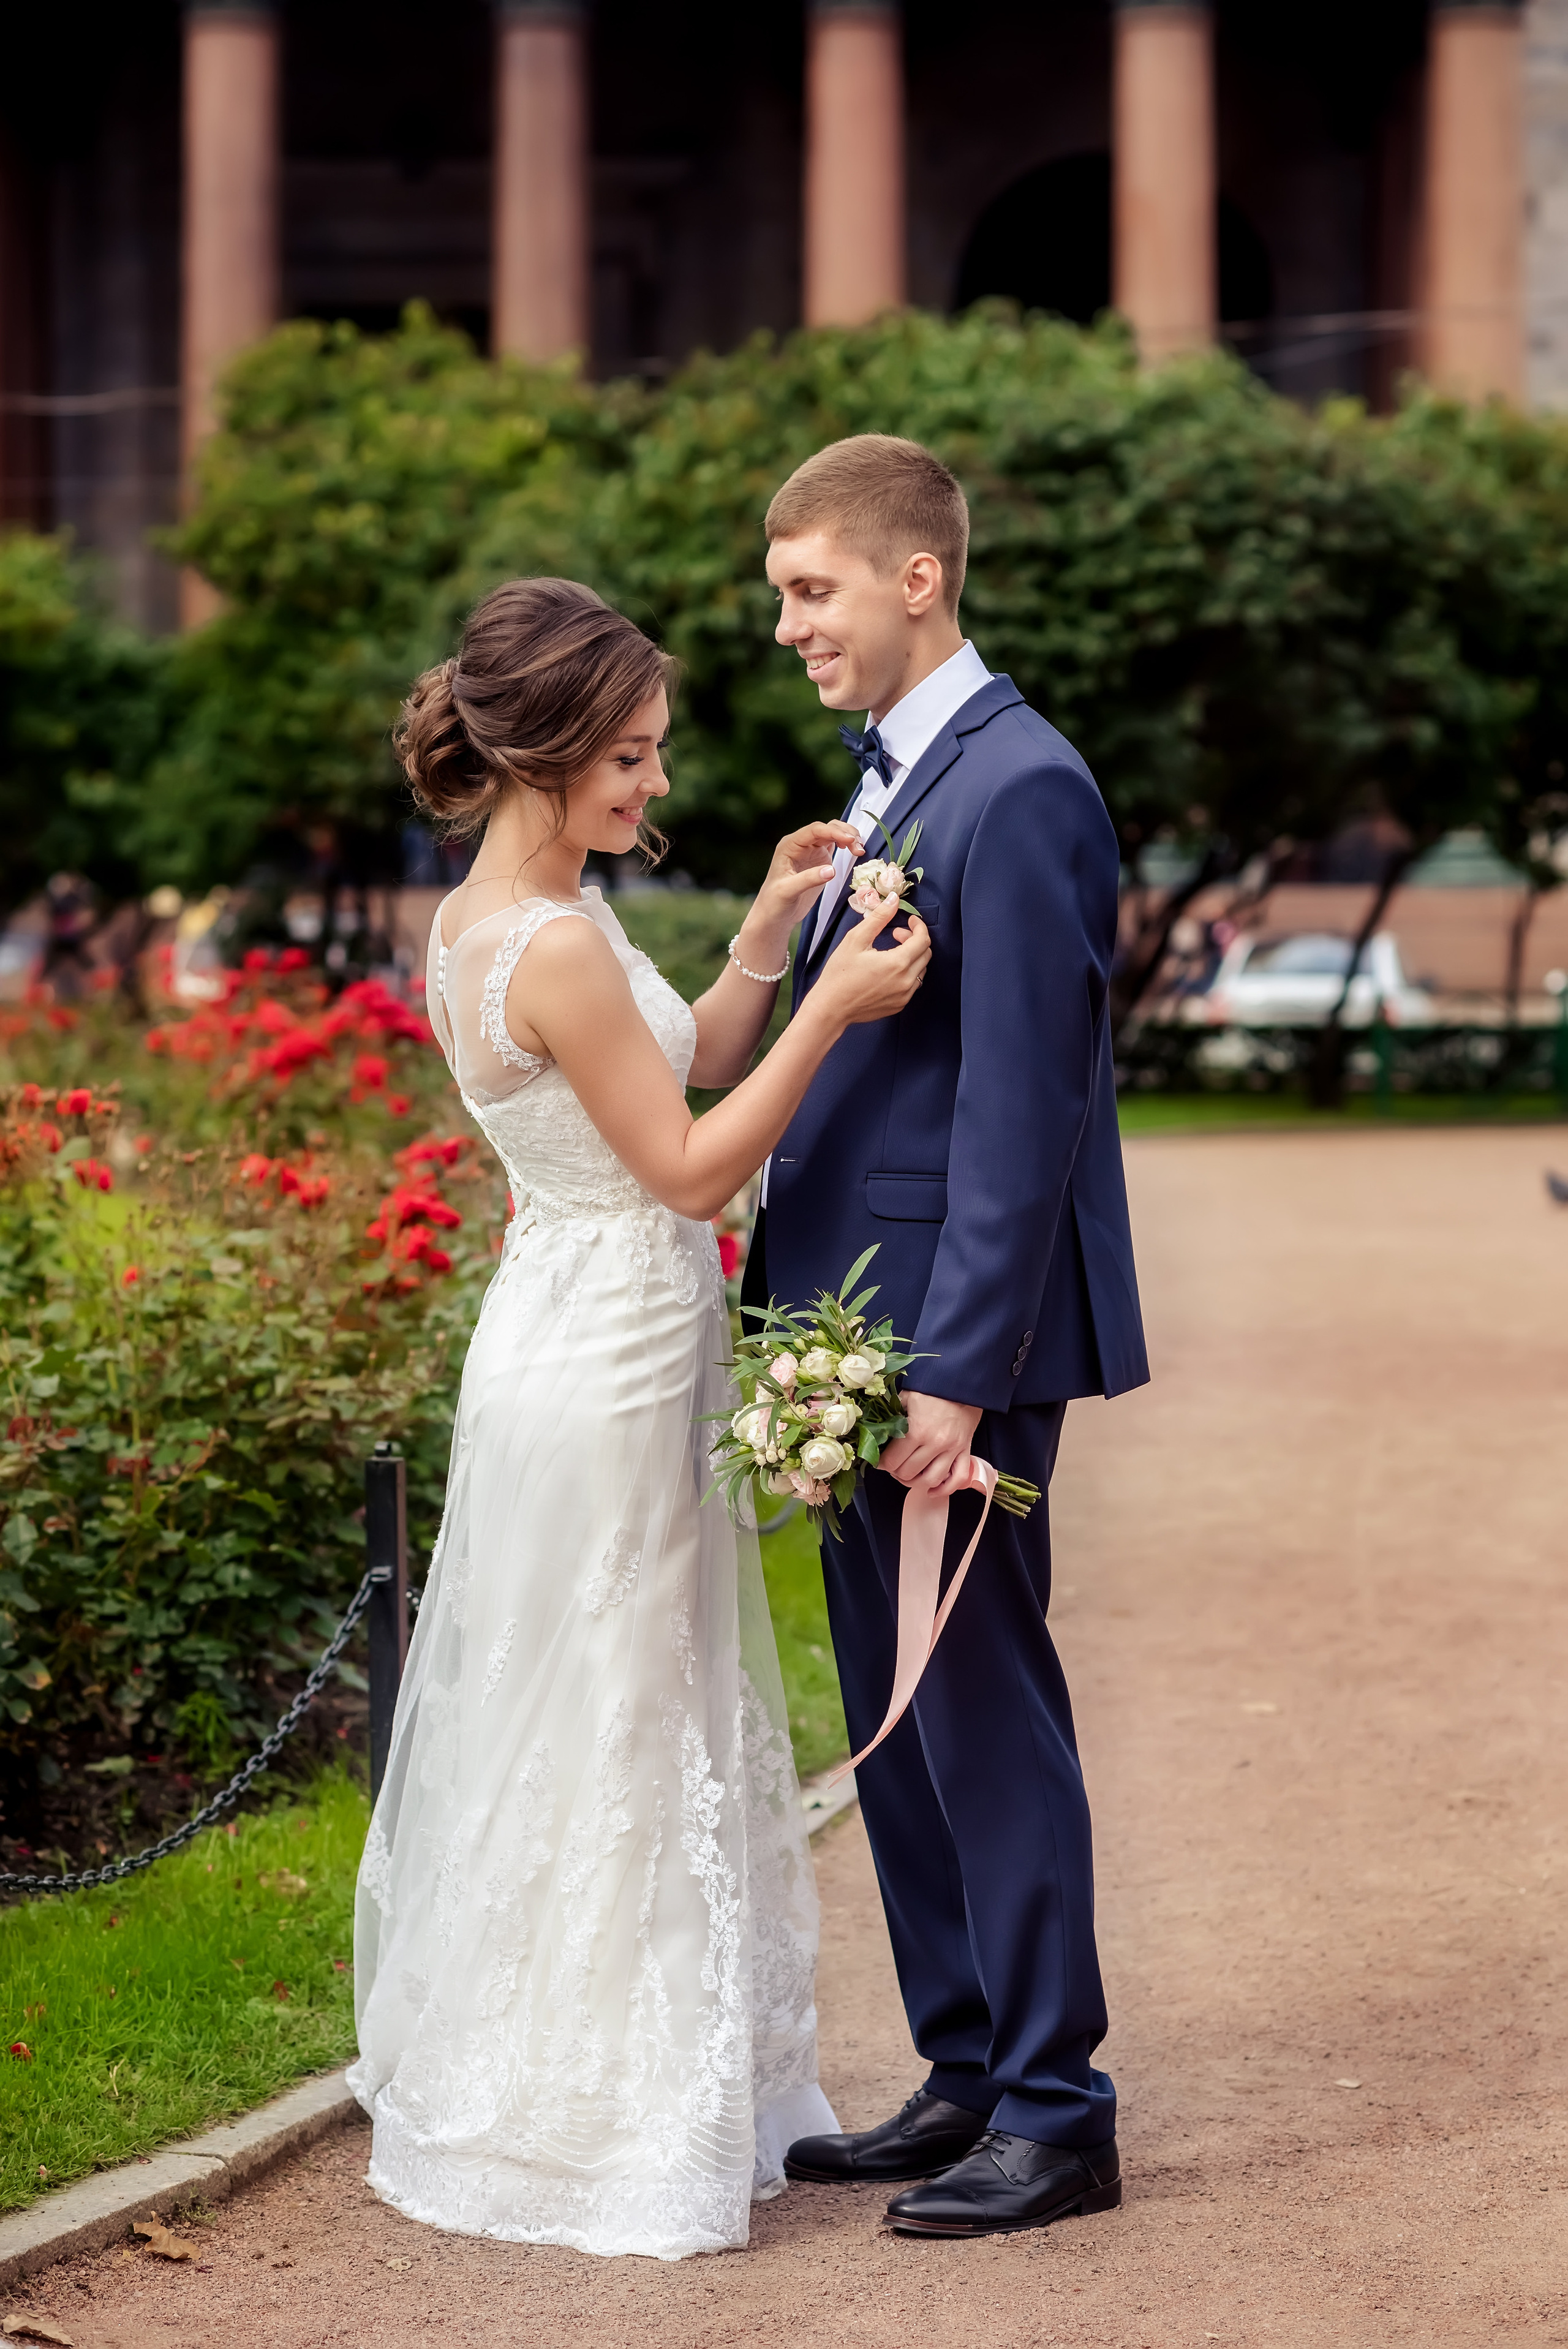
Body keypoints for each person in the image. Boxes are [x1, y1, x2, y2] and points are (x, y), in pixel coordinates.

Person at [347, 576, 931, 2260]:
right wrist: (830, 1010)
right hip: (599, 1353)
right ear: (538, 751)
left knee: (603, 1693)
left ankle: (586, 2063)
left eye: (654, 755)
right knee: (618, 1701)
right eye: (629, 757)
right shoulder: (550, 945)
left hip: (578, 1320)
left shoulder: (504, 923)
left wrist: (762, 940)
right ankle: (595, 2105)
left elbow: (662, 1073)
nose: (651, 788)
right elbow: (684, 1161)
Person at [744, 434, 1149, 2239]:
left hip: (942, 1352)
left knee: (982, 1708)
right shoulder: (904, 786)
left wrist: (959, 1367)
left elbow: (1023, 1111)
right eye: (781, 596)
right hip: (853, 1335)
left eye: (811, 590)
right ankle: (968, 2060)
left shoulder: (1025, 789)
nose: (787, 628)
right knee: (899, 1720)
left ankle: (1059, 2102)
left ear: (920, 578)